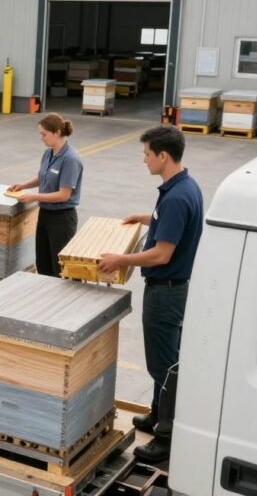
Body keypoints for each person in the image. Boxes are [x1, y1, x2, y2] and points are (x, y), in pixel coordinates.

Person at [97, 125, 204, 464]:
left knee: (164, 367)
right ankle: (157, 414)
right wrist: (145, 218)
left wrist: (119, 260)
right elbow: (170, 225)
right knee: (165, 362)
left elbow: (161, 254)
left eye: (146, 154)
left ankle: (165, 438)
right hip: (173, 290)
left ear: (163, 155)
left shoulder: (175, 198)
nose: (143, 160)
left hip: (166, 292)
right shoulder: (183, 186)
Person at [9, 113, 82, 277]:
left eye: (44, 134)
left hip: (62, 219)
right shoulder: (48, 153)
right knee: (43, 264)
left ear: (56, 132)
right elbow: (43, 177)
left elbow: (64, 195)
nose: (41, 138)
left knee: (60, 269)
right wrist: (23, 185)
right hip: (45, 215)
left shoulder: (70, 159)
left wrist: (34, 197)